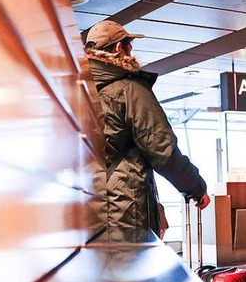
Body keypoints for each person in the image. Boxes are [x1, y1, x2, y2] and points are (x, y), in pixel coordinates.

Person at [85, 20, 210, 237]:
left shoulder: (79, 92)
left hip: (87, 208)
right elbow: (162, 149)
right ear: (118, 49)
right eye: (128, 44)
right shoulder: (130, 89)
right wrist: (195, 187)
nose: (131, 49)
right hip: (124, 209)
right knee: (130, 268)